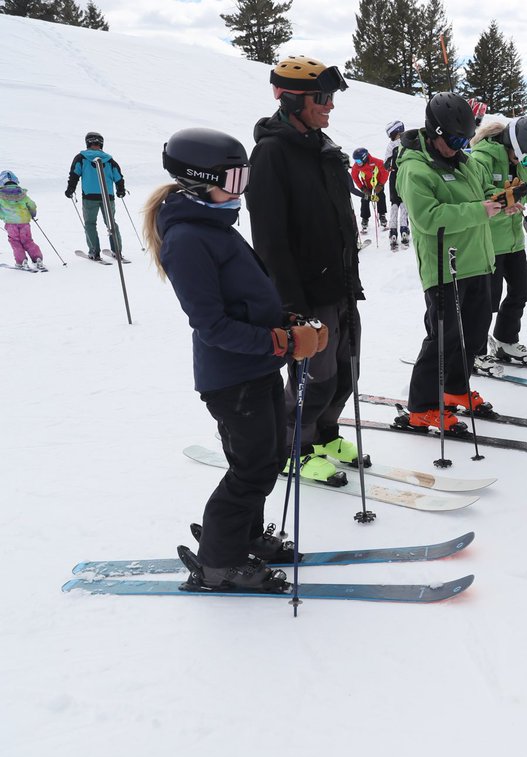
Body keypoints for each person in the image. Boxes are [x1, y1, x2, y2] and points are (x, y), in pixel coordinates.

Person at [145, 127, 328, 591]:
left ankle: (244, 536)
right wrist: (284, 342)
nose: (241, 188)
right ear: (198, 180)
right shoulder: (189, 239)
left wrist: (289, 322)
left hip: (257, 368)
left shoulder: (215, 226)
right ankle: (219, 563)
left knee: (266, 459)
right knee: (250, 468)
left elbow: (247, 301)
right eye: (234, 178)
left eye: (244, 176)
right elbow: (212, 325)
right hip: (232, 378)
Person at [244, 55, 369, 483]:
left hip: (339, 286)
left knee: (346, 370)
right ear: (293, 99)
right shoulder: (271, 154)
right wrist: (290, 306)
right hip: (306, 294)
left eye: (331, 97)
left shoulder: (324, 149)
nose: (330, 105)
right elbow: (270, 240)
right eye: (322, 97)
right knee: (314, 376)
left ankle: (324, 433)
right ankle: (292, 446)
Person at [393, 91, 504, 431]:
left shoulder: (463, 161)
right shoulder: (415, 169)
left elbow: (478, 198)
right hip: (446, 268)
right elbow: (428, 217)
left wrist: (500, 203)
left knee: (472, 335)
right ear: (435, 132)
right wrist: (479, 211)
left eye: (465, 139)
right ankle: (422, 405)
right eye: (455, 139)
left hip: (477, 261)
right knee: (442, 337)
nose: (460, 146)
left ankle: (455, 389)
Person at [468, 117, 527, 367]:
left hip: (513, 242)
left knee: (520, 290)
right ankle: (474, 351)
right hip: (489, 242)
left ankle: (504, 341)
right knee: (487, 302)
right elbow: (479, 192)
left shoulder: (518, 166)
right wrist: (504, 200)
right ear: (512, 147)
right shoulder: (482, 159)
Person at [65, 131, 127, 263]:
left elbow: (74, 175)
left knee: (90, 224)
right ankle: (117, 250)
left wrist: (70, 189)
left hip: (89, 197)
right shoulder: (110, 160)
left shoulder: (81, 158)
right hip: (107, 196)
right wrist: (120, 190)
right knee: (111, 223)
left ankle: (94, 251)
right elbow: (118, 177)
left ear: (88, 143)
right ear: (101, 144)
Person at [0, 170, 45, 271]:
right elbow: (32, 205)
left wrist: (3, 216)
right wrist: (33, 213)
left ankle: (21, 261)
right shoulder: (22, 194)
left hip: (10, 223)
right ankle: (37, 258)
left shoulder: (1, 195)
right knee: (28, 241)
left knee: (15, 242)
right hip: (24, 223)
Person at [382, 120, 411, 251]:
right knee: (404, 202)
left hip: (394, 176)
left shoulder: (391, 145)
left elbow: (386, 164)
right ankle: (404, 229)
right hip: (404, 174)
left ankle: (393, 231)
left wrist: (391, 165)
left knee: (394, 203)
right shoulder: (407, 142)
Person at [350, 146, 388, 236]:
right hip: (366, 186)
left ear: (364, 158)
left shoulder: (376, 162)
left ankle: (382, 215)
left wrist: (381, 185)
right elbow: (354, 176)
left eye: (358, 161)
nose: (357, 163)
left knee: (380, 197)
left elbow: (385, 171)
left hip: (377, 184)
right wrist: (362, 188)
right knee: (365, 199)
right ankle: (365, 218)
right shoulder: (356, 166)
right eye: (355, 161)